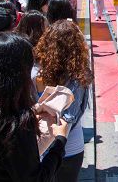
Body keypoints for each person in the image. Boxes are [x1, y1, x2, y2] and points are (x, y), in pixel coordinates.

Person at [0, 33, 69, 181]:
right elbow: (36, 178)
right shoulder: (17, 126)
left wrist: (33, 110)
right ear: (17, 77)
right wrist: (60, 141)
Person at [34, 20, 92, 182]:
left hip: (41, 146)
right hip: (70, 146)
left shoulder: (38, 73)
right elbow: (70, 117)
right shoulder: (79, 77)